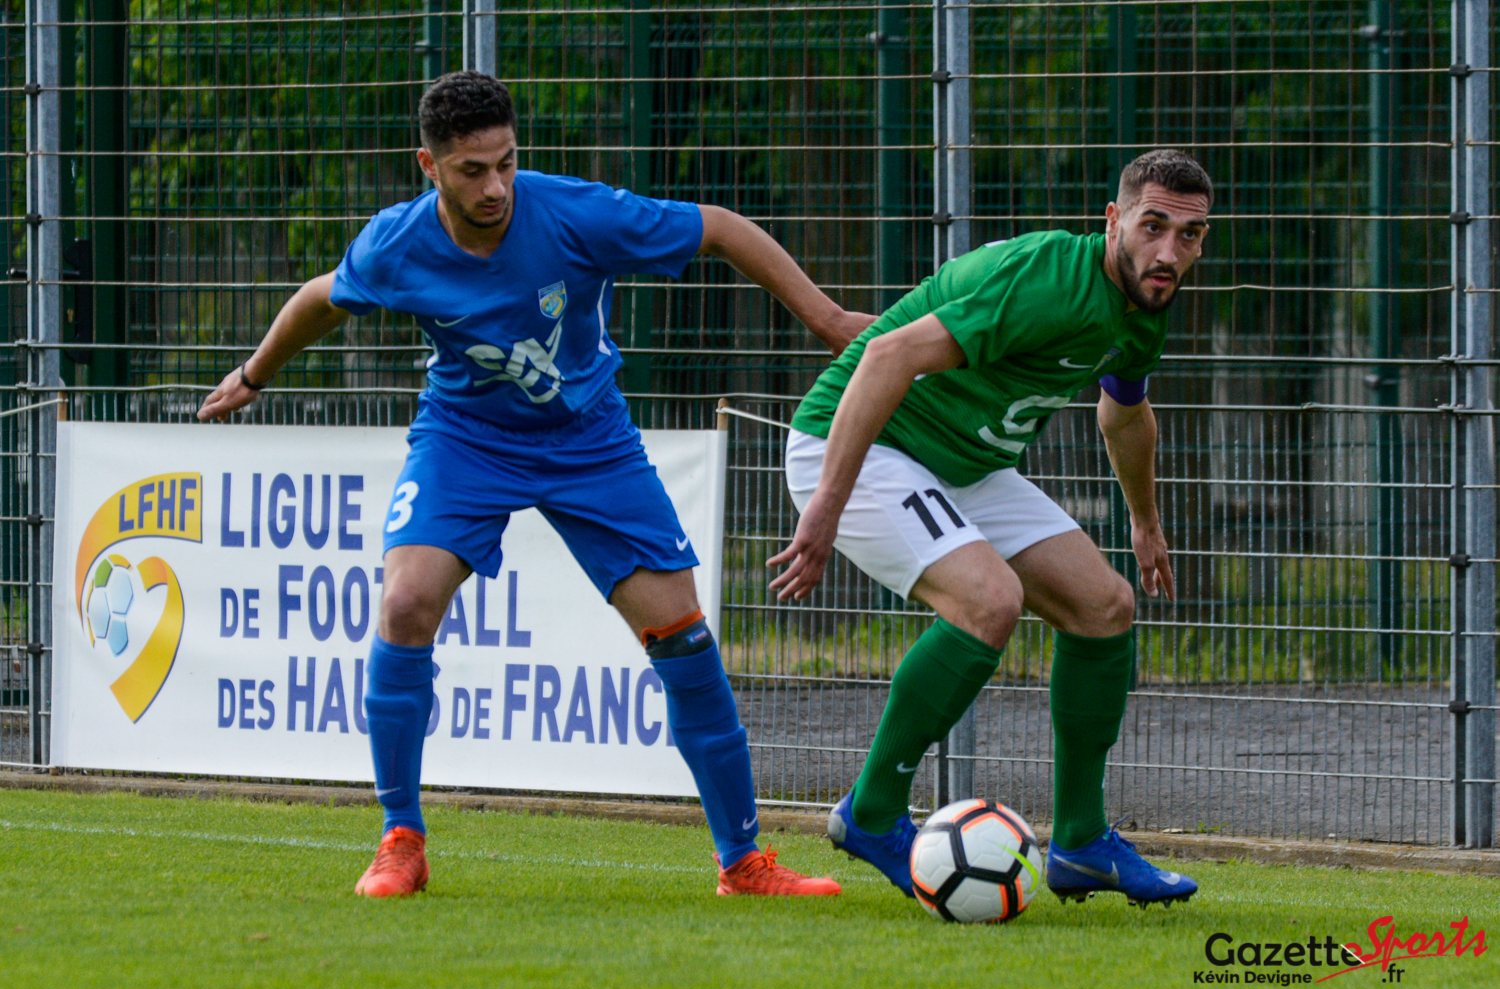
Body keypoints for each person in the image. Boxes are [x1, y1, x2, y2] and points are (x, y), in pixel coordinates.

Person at [198, 71, 874, 898]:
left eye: (507, 164)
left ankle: (742, 861)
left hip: (589, 439)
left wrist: (828, 319)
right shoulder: (396, 243)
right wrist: (253, 376)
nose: (496, 187)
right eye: (472, 170)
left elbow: (724, 229)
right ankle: (400, 839)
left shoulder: (575, 213)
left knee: (685, 639)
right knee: (406, 604)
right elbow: (318, 302)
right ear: (429, 166)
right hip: (466, 437)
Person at [768, 149, 1212, 908]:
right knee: (988, 600)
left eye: (1191, 235)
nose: (1168, 252)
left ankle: (1080, 842)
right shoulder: (1049, 278)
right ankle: (871, 814)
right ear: (1114, 221)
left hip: (963, 463)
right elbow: (885, 354)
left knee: (1104, 606)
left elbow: (1124, 411)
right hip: (865, 445)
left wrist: (1144, 522)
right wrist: (825, 508)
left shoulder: (1146, 305)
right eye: (1153, 226)